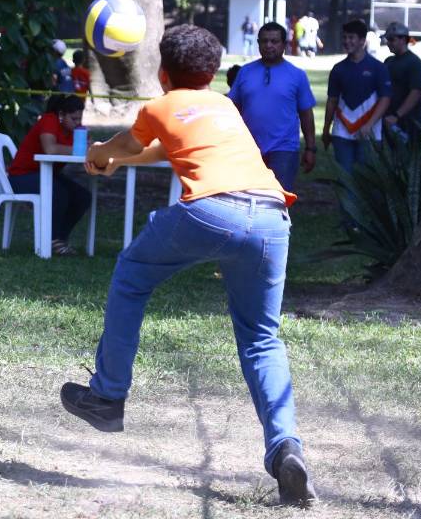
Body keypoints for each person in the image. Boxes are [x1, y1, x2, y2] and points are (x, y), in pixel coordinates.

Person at [61, 25, 316, 508]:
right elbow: (165, 147)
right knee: (262, 337)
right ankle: (286, 448)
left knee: (132, 277)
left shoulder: (158, 105)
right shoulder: (224, 105)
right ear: (214, 70)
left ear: (161, 71)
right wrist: (122, 161)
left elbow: (124, 144)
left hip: (211, 210)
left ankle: (108, 396)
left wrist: (99, 156)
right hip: (270, 216)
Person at [228, 22, 317, 191]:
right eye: (264, 41)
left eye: (274, 41)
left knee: (279, 199)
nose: (269, 45)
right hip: (249, 148)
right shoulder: (245, 72)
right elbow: (233, 109)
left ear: (284, 44)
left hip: (284, 149)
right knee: (248, 199)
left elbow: (306, 114)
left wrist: (311, 148)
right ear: (258, 43)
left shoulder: (297, 75)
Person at [6, 94, 91, 256]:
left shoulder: (72, 131)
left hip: (45, 175)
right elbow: (50, 149)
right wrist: (78, 148)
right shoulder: (49, 120)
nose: (78, 123)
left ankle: (59, 239)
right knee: (59, 193)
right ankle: (51, 240)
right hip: (21, 176)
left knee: (83, 196)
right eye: (73, 118)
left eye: (79, 119)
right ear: (61, 115)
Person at [323, 18, 392, 173]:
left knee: (366, 182)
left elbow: (385, 99)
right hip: (341, 133)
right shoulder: (338, 69)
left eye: (351, 37)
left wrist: (369, 125)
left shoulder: (378, 68)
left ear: (362, 40)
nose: (346, 41)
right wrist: (326, 130)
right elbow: (332, 100)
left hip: (369, 134)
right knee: (345, 181)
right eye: (344, 37)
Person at [382, 21, 421, 142]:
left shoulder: (414, 63)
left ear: (403, 39)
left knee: (408, 158)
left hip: (409, 122)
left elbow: (416, 93)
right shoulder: (388, 61)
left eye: (391, 39)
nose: (388, 43)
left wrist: (397, 115)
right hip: (388, 121)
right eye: (387, 40)